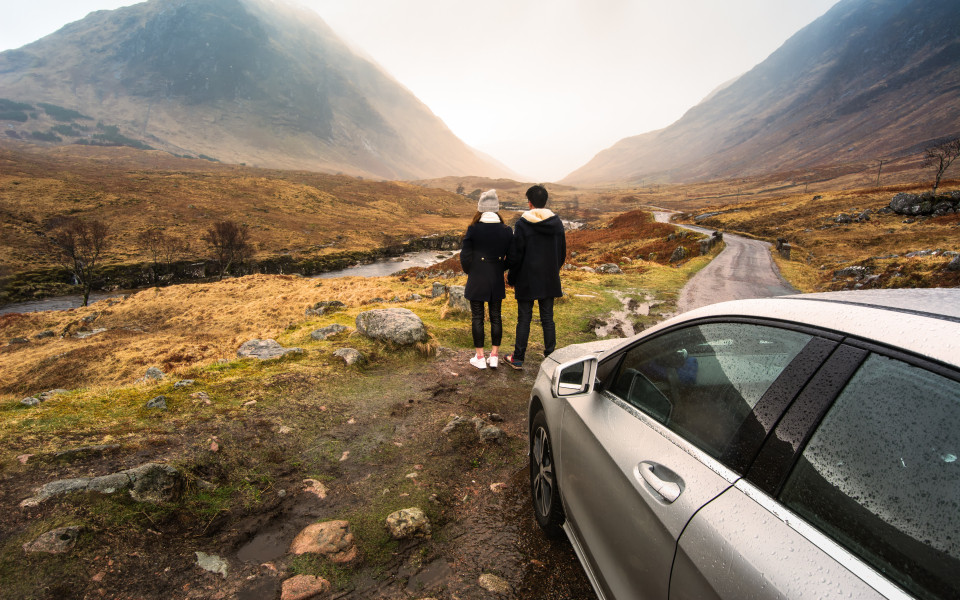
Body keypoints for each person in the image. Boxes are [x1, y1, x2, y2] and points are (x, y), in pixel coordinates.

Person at [505, 184, 566, 369]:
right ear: (545, 202)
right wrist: (553, 269)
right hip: (549, 278)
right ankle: (551, 358)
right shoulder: (556, 223)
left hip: (527, 279)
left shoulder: (523, 224)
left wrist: (512, 278)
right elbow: (561, 252)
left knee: (524, 318)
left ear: (530, 203)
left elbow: (516, 255)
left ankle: (518, 358)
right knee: (548, 318)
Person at [460, 189, 513, 369]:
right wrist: (499, 268)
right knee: (496, 317)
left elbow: (465, 256)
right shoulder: (506, 230)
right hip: (495, 279)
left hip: (477, 278)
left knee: (478, 317)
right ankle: (495, 356)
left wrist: (472, 270)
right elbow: (512, 258)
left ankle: (480, 358)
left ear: (480, 208)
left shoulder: (473, 229)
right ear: (496, 208)